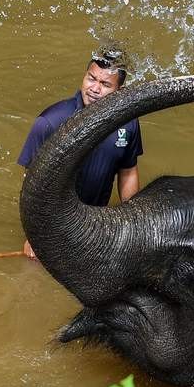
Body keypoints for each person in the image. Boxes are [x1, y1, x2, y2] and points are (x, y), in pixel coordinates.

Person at [18, 49, 143, 259]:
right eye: (91, 78)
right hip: (55, 223)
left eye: (105, 85)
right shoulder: (50, 122)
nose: (94, 89)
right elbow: (33, 184)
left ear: (120, 90)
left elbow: (128, 172)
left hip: (96, 221)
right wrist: (36, 236)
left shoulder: (128, 123)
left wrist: (134, 226)